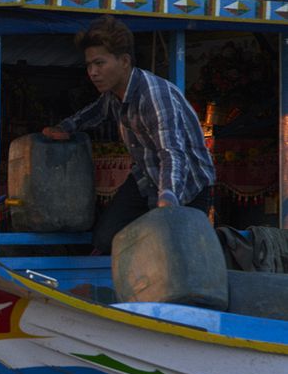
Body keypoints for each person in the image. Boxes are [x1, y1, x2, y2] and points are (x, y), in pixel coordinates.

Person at [42, 16, 215, 254]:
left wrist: (169, 196)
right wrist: (65, 128)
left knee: (174, 255)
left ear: (124, 61)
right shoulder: (113, 94)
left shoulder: (154, 95)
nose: (92, 72)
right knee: (107, 239)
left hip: (187, 186)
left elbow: (172, 153)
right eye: (89, 65)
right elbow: (94, 112)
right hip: (146, 178)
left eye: (99, 63)